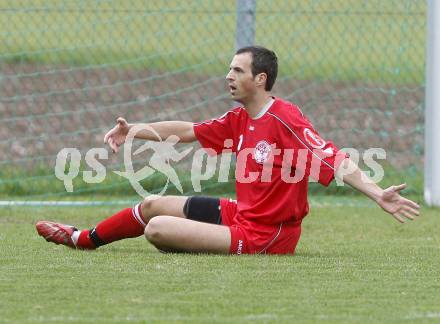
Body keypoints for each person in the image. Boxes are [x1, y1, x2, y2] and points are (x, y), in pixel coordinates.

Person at [36, 46, 420, 255]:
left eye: (237, 70)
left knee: (156, 229)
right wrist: (133, 130)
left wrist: (376, 193)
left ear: (260, 78)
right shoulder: (239, 119)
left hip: (268, 234)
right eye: (230, 69)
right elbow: (188, 131)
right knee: (152, 203)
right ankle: (83, 239)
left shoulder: (286, 119)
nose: (228, 76)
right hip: (243, 215)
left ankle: (180, 238)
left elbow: (335, 158)